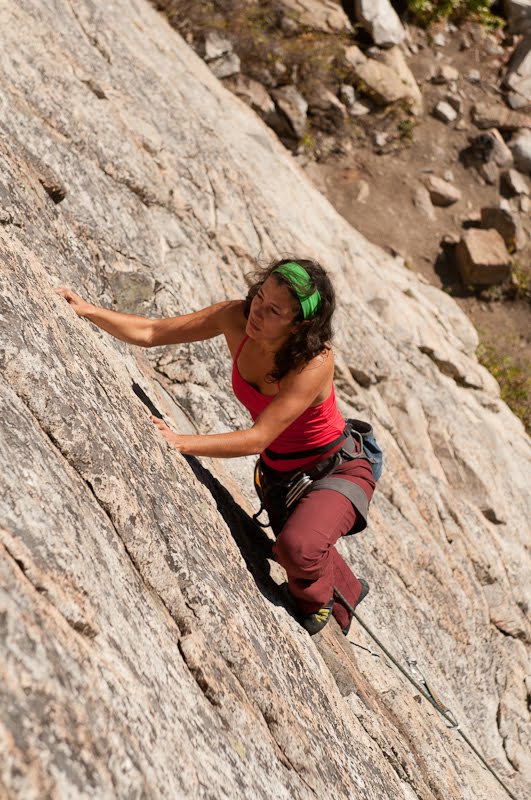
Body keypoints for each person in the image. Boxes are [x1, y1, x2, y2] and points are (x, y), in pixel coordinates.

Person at [55, 258, 375, 635]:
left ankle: (319, 600)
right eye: (260, 297)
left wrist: (179, 442)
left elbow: (258, 437)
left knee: (295, 549)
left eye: (274, 310)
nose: (258, 310)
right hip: (283, 477)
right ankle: (348, 585)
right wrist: (88, 310)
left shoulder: (313, 362)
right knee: (298, 544)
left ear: (299, 325)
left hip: (335, 469)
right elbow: (152, 331)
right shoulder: (234, 317)